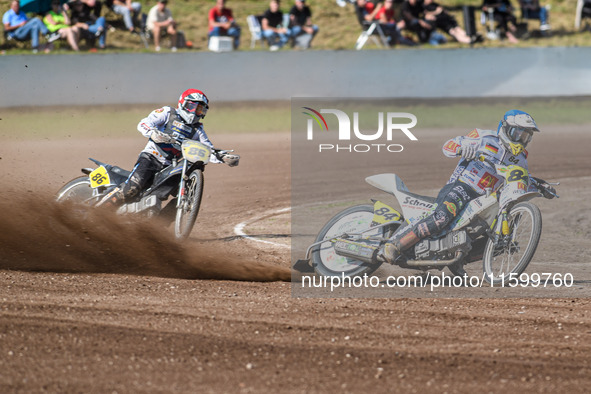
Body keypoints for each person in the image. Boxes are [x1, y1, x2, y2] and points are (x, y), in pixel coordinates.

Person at [381, 110, 556, 263]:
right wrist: (461, 149)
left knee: (500, 240)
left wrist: (540, 185)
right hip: (464, 186)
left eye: (526, 136)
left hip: (486, 198)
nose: (521, 139)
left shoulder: (521, 158)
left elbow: (519, 176)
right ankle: (395, 245)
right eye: (518, 133)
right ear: (505, 128)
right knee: (441, 217)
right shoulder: (484, 137)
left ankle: (456, 260)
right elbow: (448, 146)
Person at [98, 89, 239, 207]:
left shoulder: (198, 130)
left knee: (171, 199)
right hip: (151, 157)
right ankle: (100, 210)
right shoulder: (167, 113)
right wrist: (153, 133)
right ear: (182, 104)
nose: (195, 111)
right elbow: (144, 123)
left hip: (169, 168)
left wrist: (223, 157)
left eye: (199, 109)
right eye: (192, 106)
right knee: (133, 187)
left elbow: (207, 149)